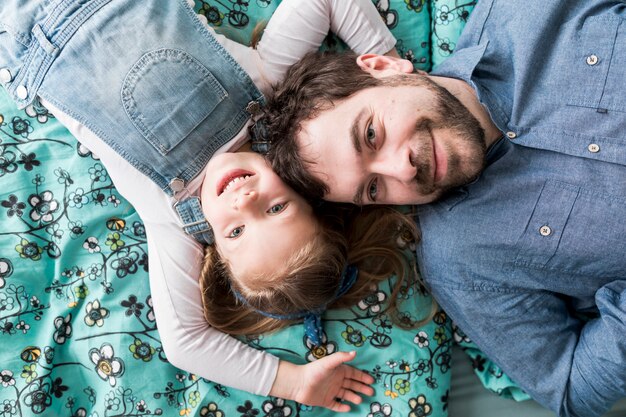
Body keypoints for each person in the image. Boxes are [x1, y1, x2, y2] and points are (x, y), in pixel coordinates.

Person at [0, 0, 408, 411]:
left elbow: (185, 344)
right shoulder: (266, 89)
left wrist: (292, 382)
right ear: (306, 188)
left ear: (216, 254)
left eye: (236, 232)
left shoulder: (169, 219)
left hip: (30, 37)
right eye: (276, 209)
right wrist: (402, 80)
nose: (244, 201)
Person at [260, 1, 626, 416]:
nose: (401, 168)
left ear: (383, 66)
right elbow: (568, 388)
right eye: (374, 188)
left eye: (372, 134)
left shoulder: (530, 10)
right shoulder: (464, 262)